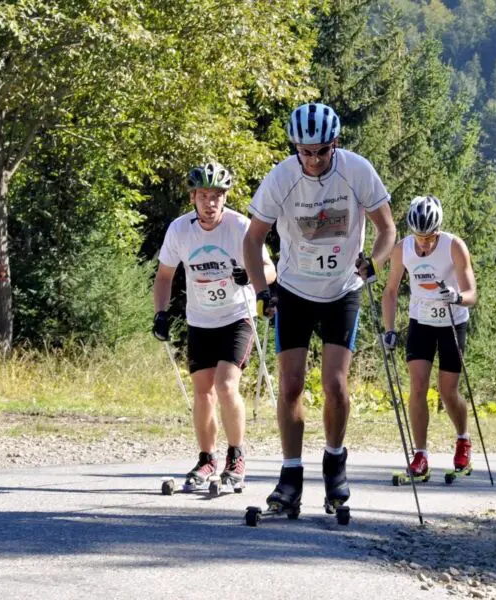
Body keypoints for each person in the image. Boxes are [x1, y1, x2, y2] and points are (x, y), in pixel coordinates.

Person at [242, 102, 396, 511]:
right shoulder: (282, 177)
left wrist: (374, 263)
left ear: (335, 144)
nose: (312, 160)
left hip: (343, 288)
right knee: (290, 385)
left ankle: (334, 463)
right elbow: (252, 240)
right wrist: (262, 290)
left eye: (321, 151)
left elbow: (387, 229)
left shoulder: (357, 170)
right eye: (304, 151)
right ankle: (290, 477)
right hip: (293, 289)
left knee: (335, 384)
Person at [153, 161, 276, 492]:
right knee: (203, 392)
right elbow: (164, 275)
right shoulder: (180, 230)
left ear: (225, 198)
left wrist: (249, 275)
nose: (211, 203)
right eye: (204, 195)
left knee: (225, 385)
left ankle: (237, 457)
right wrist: (161, 313)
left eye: (217, 196)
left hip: (237, 315)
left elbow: (270, 269)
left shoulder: (240, 226)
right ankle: (207, 459)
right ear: (193, 197)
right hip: (200, 318)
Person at [380, 195, 477, 479]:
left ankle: (463, 439)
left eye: (429, 236)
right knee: (418, 387)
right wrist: (389, 329)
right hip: (420, 320)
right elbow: (390, 292)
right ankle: (420, 455)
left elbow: (472, 293)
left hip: (451, 321)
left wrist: (457, 297)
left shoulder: (454, 246)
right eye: (418, 236)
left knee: (448, 391)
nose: (423, 242)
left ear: (439, 230)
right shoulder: (403, 249)